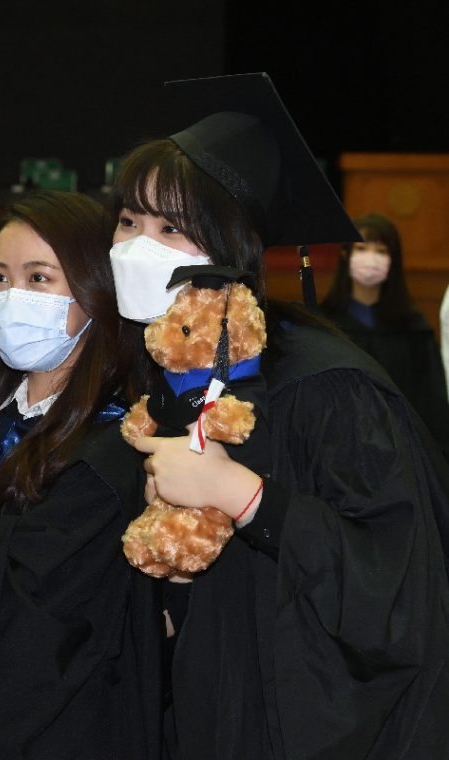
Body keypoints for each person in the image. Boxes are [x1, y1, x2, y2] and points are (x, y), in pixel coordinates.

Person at [108, 72, 449, 759]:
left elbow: (402, 587)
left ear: (230, 245)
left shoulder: (327, 387)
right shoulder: (173, 374)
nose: (135, 245)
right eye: (128, 220)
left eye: (170, 226)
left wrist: (247, 498)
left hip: (308, 726)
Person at [0, 190, 165, 759]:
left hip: (68, 726)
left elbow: (33, 612)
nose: (11, 298)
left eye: (39, 279)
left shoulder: (114, 451)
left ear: (96, 295)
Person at [319, 213, 449, 459]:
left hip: (403, 455)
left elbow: (432, 407)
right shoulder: (323, 325)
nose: (371, 259)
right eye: (361, 248)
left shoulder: (413, 329)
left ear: (393, 260)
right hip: (337, 452)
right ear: (345, 255)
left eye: (381, 251)